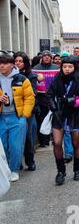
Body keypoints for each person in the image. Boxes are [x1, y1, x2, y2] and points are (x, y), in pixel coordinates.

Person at [47, 56, 79, 185]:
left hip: (76, 116)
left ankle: (77, 170)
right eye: (64, 66)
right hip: (59, 115)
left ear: (75, 67)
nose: (67, 69)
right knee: (57, 143)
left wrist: (73, 101)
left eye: (70, 66)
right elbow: (49, 94)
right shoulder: (57, 79)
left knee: (77, 144)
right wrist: (52, 104)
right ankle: (61, 171)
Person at [0, 52, 35, 182]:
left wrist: (24, 116)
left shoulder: (21, 79)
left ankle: (14, 169)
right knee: (3, 146)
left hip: (17, 117)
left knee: (16, 146)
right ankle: (6, 169)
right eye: (0, 63)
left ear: (11, 65)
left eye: (4, 63)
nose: (1, 66)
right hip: (1, 118)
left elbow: (30, 98)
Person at [14, 52, 38, 171]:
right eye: (16, 61)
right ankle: (16, 161)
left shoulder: (31, 76)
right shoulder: (9, 76)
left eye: (20, 61)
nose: (17, 63)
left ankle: (30, 161)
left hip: (27, 111)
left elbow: (32, 93)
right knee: (14, 139)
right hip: (12, 110)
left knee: (28, 138)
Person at [32, 50, 59, 148]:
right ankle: (43, 140)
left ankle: (53, 137)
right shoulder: (35, 69)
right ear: (42, 58)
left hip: (53, 96)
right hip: (40, 96)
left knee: (53, 117)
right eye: (45, 56)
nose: (47, 57)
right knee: (42, 118)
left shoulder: (56, 68)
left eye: (48, 56)